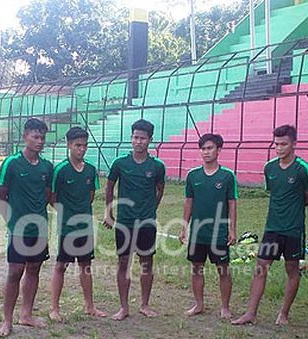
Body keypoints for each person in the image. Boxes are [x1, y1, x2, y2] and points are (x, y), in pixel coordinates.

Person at [232, 125, 308, 326]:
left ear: (294, 144)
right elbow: (274, 192)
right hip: (272, 228)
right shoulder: (269, 168)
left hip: (294, 229)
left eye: (284, 144)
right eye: (276, 144)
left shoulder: (303, 168)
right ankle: (250, 313)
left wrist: (294, 207)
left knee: (292, 269)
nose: (279, 148)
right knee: (261, 266)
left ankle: (284, 313)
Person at [0, 118, 53, 337]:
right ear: (25, 137)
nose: (39, 141)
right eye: (35, 137)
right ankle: (6, 320)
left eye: (42, 138)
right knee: (15, 271)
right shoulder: (12, 163)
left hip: (39, 228)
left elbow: (47, 195)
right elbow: (1, 196)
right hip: (18, 229)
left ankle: (26, 314)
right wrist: (11, 221)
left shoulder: (47, 166)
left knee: (34, 269)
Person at [103, 119, 166, 321]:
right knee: (124, 262)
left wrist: (150, 209)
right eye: (135, 137)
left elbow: (159, 190)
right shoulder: (120, 163)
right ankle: (123, 307)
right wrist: (109, 212)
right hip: (125, 222)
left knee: (146, 262)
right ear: (131, 138)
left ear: (150, 140)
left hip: (146, 222)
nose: (139, 141)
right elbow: (109, 187)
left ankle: (145, 305)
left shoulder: (156, 166)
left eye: (143, 138)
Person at [179, 133, 238, 319]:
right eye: (203, 148)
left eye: (210, 148)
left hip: (218, 232)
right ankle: (198, 304)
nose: (206, 152)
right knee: (197, 268)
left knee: (223, 269)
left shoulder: (227, 176)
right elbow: (189, 201)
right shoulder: (193, 175)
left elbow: (232, 203)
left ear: (218, 150)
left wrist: (232, 229)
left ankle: (225, 307)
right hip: (198, 232)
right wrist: (184, 226)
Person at [50, 127, 105, 322]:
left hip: (85, 227)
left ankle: (90, 305)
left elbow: (90, 196)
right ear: (68, 145)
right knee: (61, 266)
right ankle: (54, 308)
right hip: (67, 227)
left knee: (86, 265)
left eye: (84, 145)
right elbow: (52, 197)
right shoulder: (60, 170)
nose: (81, 149)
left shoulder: (90, 170)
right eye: (77, 145)